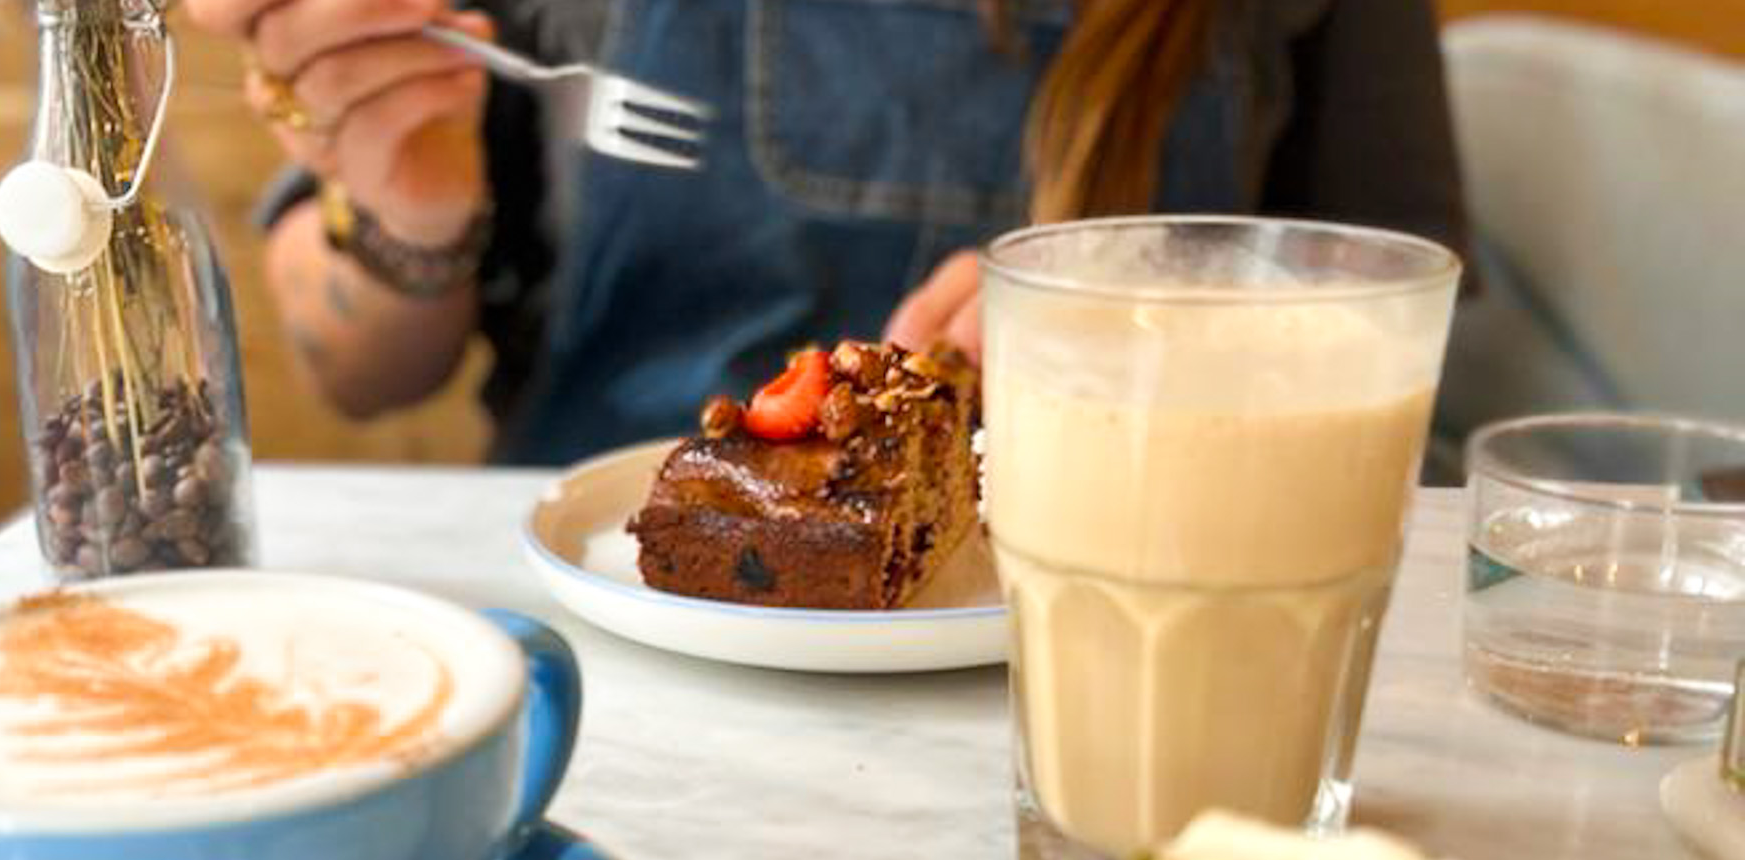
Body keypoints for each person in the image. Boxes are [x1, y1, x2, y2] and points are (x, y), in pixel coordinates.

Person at [186, 0, 1468, 465]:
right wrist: (414, 216)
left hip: (1093, 627)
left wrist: (1155, 320)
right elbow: (357, 375)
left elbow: (1396, 317)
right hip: (615, 641)